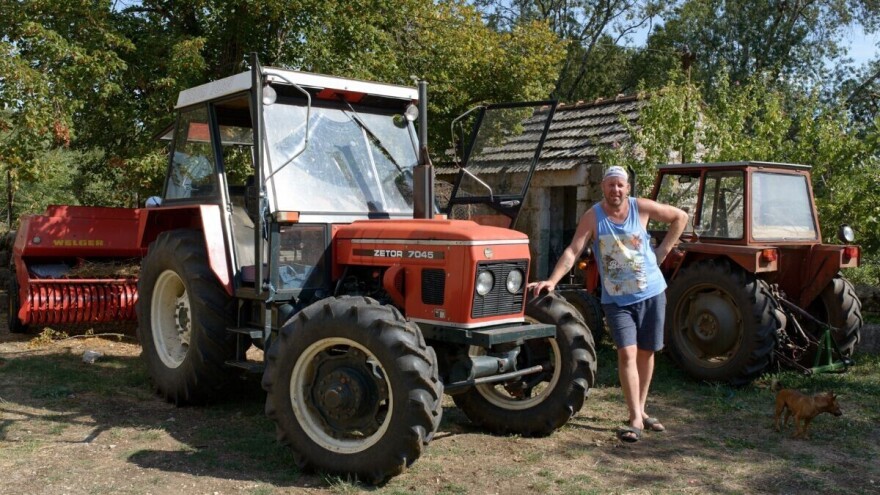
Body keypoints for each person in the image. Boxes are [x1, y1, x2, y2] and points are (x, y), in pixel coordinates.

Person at [529, 165, 687, 443]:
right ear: (603, 187)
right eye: (611, 185)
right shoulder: (594, 216)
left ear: (627, 188)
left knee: (647, 353)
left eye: (620, 185)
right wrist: (552, 280)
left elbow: (680, 217)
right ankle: (635, 417)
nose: (616, 190)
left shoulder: (641, 208)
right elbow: (573, 250)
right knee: (627, 354)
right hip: (617, 300)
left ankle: (641, 409)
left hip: (652, 293)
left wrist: (662, 252)